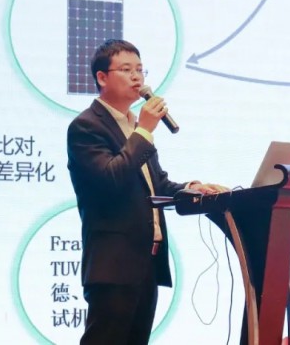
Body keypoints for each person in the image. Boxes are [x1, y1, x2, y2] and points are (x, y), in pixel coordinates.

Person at [67, 39, 226, 345]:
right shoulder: (86, 127)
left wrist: (191, 189)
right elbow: (111, 179)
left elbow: (157, 185)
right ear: (102, 77)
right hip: (114, 265)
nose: (137, 77)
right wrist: (145, 131)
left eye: (140, 70)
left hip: (146, 264)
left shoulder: (134, 127)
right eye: (126, 69)